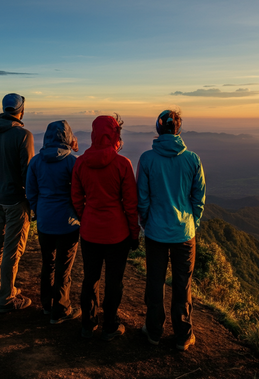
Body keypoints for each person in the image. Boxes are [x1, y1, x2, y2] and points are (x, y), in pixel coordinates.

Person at [136, 110, 206, 351]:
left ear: (158, 129)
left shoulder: (146, 159)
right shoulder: (193, 159)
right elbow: (199, 198)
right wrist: (192, 223)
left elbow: (142, 199)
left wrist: (145, 223)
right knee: (182, 284)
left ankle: (154, 331)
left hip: (156, 232)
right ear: (178, 129)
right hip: (184, 234)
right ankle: (183, 335)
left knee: (155, 282)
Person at [71, 115, 139, 341]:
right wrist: (134, 233)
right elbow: (130, 204)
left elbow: (76, 197)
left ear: (94, 134)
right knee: (114, 280)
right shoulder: (123, 164)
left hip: (90, 232)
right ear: (115, 135)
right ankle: (110, 325)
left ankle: (87, 324)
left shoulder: (80, 162)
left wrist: (86, 216)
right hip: (117, 234)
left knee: (90, 278)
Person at [26, 120, 82, 324]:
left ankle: (47, 306)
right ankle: (61, 309)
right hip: (68, 222)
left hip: (45, 221)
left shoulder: (36, 162)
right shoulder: (72, 162)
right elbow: (78, 194)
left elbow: (31, 192)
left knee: (48, 264)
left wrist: (38, 210)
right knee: (63, 268)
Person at [0, 93, 34, 313]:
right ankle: (7, 298)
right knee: (13, 250)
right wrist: (30, 200)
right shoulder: (23, 135)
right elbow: (28, 172)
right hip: (16, 200)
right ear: (21, 110)